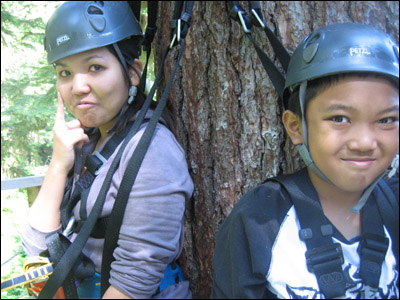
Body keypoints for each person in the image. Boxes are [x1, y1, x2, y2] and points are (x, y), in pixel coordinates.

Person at [211, 23, 399, 299]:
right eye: (339, 118)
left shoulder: (393, 206)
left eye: (386, 120)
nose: (364, 142)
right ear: (296, 127)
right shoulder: (260, 221)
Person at [21, 1, 194, 299]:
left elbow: (134, 281)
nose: (78, 86)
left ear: (133, 73)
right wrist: (58, 165)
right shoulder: (85, 142)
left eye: (95, 67)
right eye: (64, 73)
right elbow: (37, 247)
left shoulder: (151, 153)